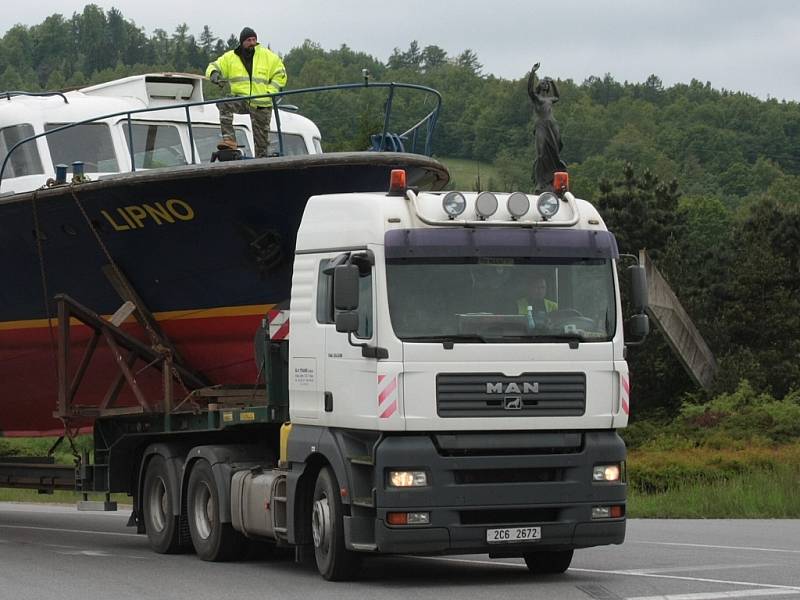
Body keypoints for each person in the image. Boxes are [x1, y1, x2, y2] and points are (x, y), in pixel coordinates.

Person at [206, 27, 287, 158]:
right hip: (242, 99)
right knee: (224, 104)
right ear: (242, 42)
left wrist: (270, 91)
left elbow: (280, 73)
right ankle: (229, 141)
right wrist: (214, 74)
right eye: (249, 40)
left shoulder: (268, 56)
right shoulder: (231, 57)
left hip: (262, 103)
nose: (252, 42)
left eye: (254, 39)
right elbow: (213, 65)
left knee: (261, 146)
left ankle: (262, 162)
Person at [528, 63, 567, 193]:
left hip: (552, 125)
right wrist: (532, 72)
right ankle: (540, 181)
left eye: (546, 83)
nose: (545, 84)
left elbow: (558, 96)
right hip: (541, 125)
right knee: (541, 154)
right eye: (543, 83)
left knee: (555, 152)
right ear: (539, 86)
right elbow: (529, 90)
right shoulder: (537, 98)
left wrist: (553, 82)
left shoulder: (550, 99)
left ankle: (553, 179)